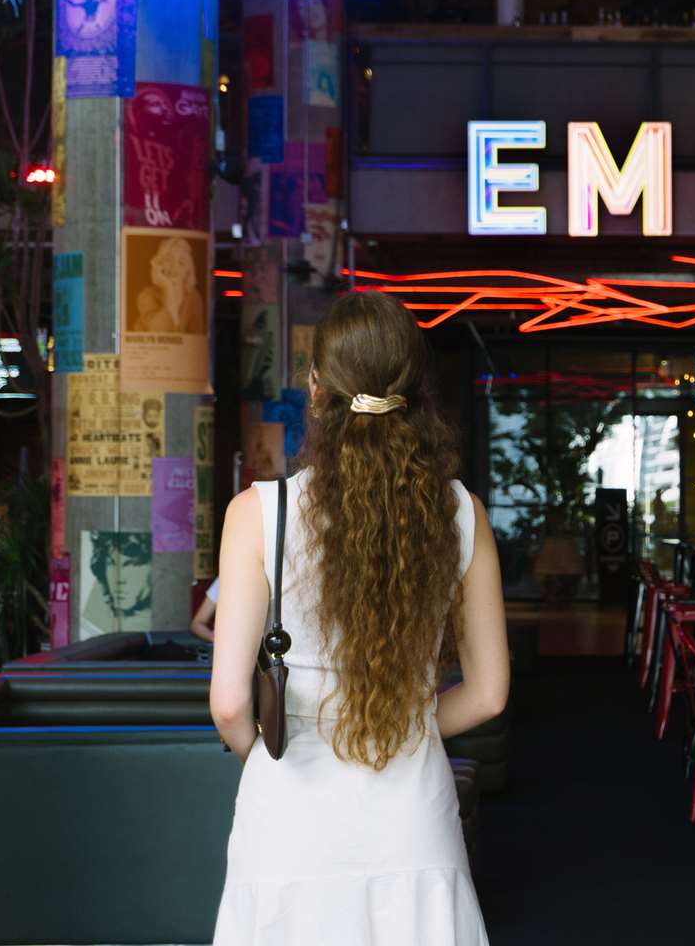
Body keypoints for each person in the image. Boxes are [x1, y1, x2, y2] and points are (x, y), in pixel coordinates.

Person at [209, 292, 507, 944]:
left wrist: (267, 757)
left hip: (288, 818)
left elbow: (230, 703)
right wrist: (408, 723)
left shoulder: (257, 514)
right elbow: (488, 695)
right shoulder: (462, 513)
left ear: (316, 389)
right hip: (413, 814)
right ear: (415, 391)